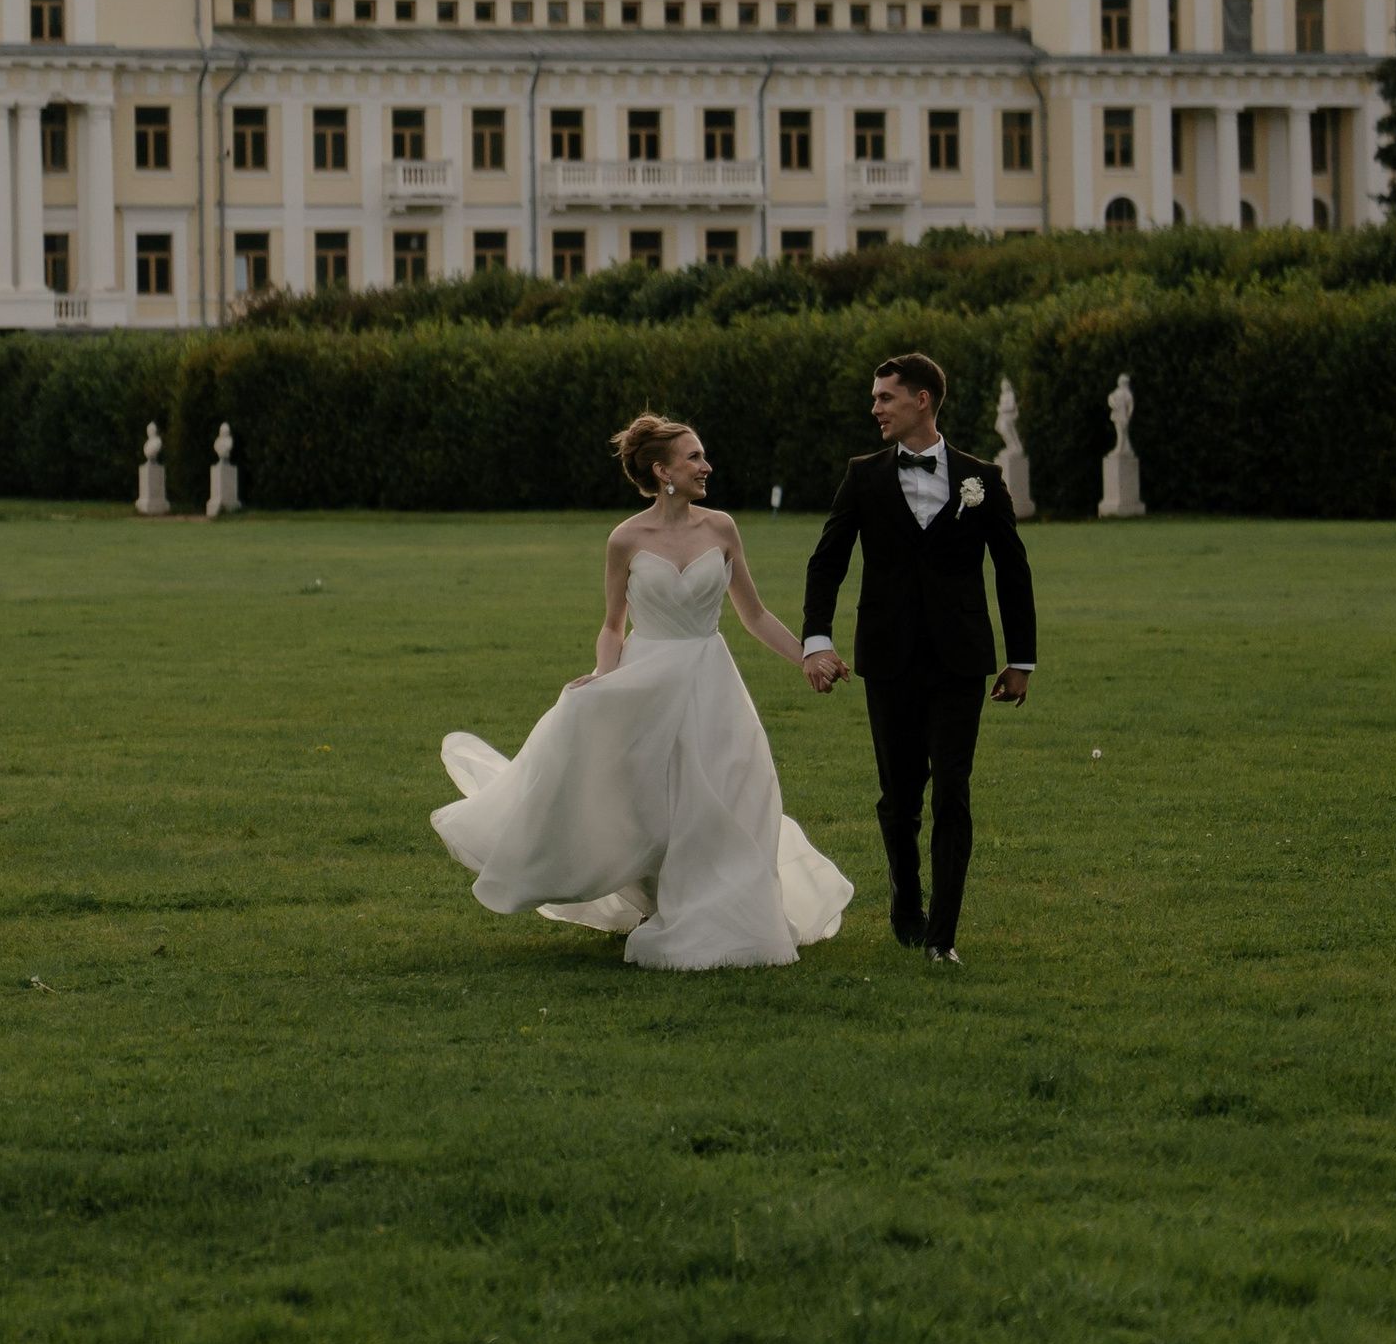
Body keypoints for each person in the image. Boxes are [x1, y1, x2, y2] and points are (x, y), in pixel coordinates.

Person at [432, 413, 853, 971]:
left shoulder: (721, 528)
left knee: (730, 792)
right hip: (647, 679)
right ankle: (661, 902)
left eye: (703, 456)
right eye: (695, 457)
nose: (707, 465)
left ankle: (729, 909)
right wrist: (605, 679)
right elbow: (613, 625)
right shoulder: (626, 539)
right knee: (649, 801)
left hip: (710, 680)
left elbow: (753, 615)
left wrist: (809, 656)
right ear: (663, 471)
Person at [802, 350, 1035, 967]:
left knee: (952, 793)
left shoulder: (981, 477)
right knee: (899, 796)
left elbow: (1012, 570)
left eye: (885, 397)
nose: (874, 407)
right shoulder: (863, 475)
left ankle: (943, 936)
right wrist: (817, 639)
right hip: (887, 657)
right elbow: (828, 561)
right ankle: (907, 900)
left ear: (921, 400)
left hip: (961, 660)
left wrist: (1022, 660)